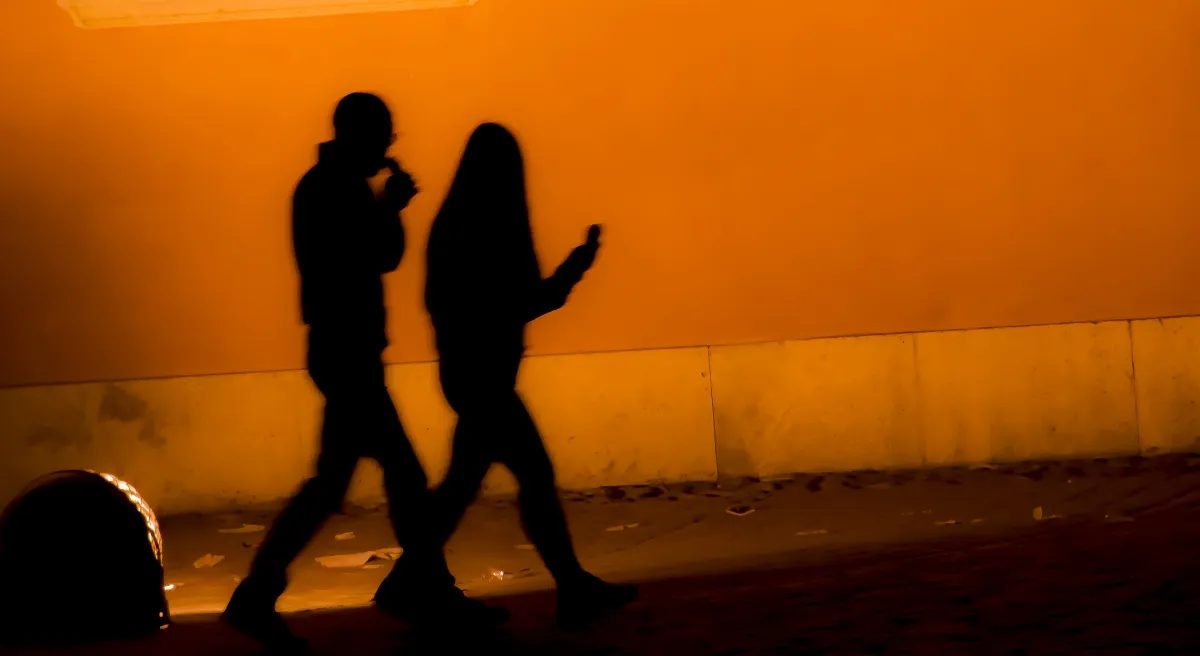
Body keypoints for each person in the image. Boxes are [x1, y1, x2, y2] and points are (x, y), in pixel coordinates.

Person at [222, 94, 505, 649]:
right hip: (348, 353)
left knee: (338, 483)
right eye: (384, 134)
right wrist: (389, 208)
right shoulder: (331, 189)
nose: (389, 146)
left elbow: (376, 256)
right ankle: (426, 592)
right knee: (399, 476)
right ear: (363, 134)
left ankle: (258, 595)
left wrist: (385, 207)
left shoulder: (331, 184)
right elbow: (364, 257)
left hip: (342, 352)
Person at [419, 122, 638, 625]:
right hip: (488, 379)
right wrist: (574, 269)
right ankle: (570, 586)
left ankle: (412, 580)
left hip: (468, 374)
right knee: (528, 476)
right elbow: (527, 301)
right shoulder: (492, 227)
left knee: (462, 485)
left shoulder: (452, 224)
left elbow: (461, 302)